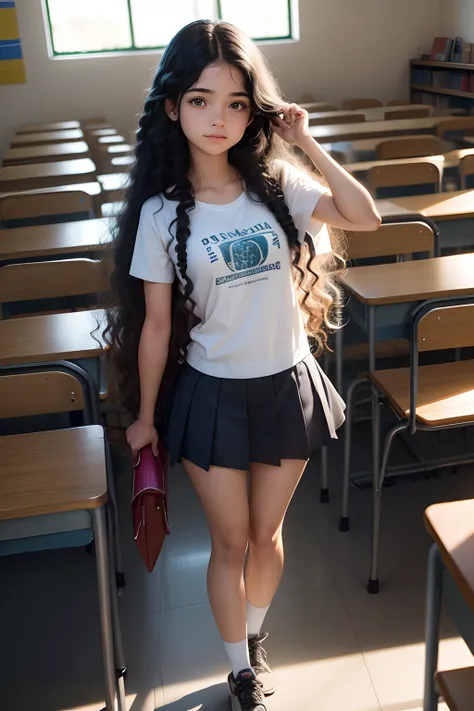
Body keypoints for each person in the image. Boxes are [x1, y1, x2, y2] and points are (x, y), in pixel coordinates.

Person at [107, 18, 381, 711]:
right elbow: (157, 326)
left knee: (267, 536)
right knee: (230, 542)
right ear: (173, 107)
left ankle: (253, 636)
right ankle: (239, 670)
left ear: (253, 110)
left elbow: (365, 215)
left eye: (235, 103)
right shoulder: (161, 212)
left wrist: (305, 139)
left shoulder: (279, 184)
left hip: (287, 384)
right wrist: (144, 418)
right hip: (211, 393)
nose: (218, 118)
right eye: (200, 100)